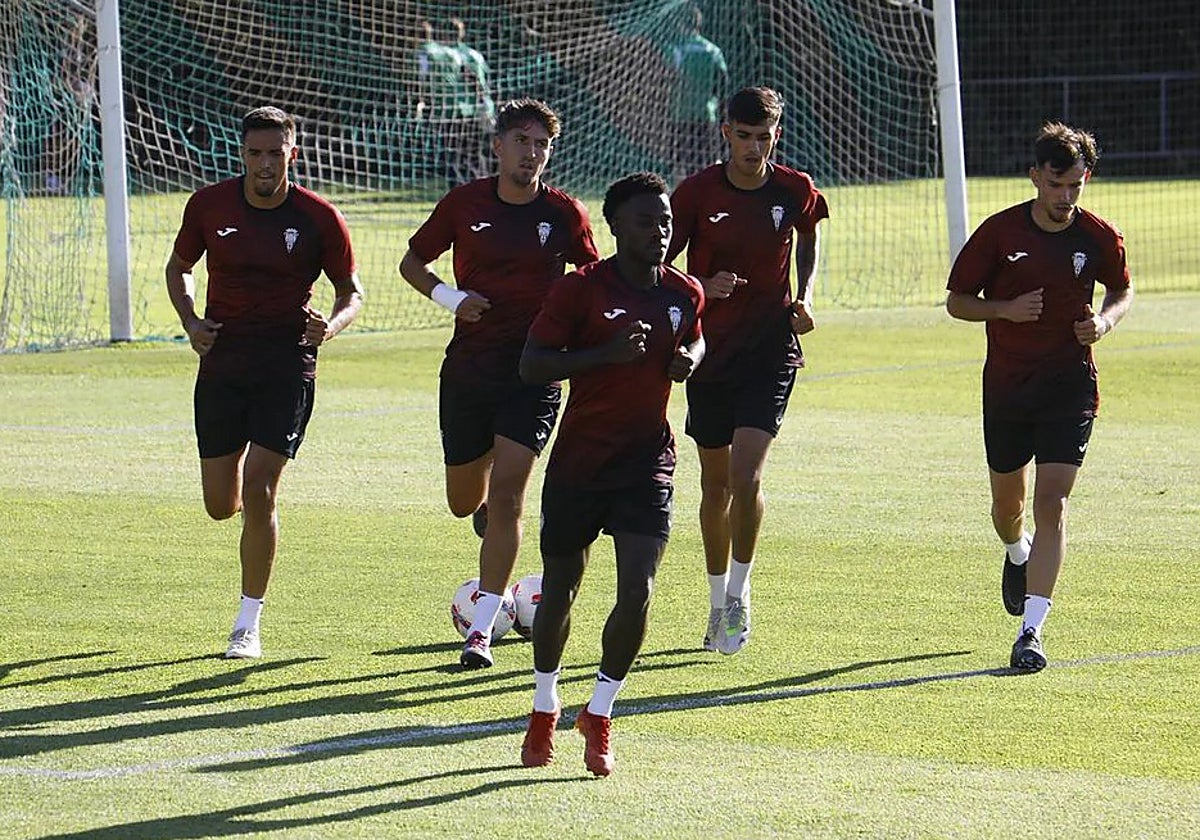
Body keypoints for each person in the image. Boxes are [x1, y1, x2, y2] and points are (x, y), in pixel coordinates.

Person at [398, 98, 598, 670]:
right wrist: (450, 297)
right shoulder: (464, 204)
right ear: (498, 146)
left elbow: (593, 278)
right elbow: (413, 261)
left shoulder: (565, 214)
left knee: (510, 493)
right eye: (521, 142)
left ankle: (481, 630)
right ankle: (483, 515)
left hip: (535, 372)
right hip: (469, 370)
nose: (531, 154)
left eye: (541, 145)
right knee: (466, 500)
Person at [518, 171, 705, 777]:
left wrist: (687, 359)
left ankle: (599, 711)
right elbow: (532, 365)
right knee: (562, 588)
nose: (661, 230)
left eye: (667, 221)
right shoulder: (578, 291)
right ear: (617, 226)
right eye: (648, 221)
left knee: (639, 591)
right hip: (579, 465)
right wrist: (606, 354)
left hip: (647, 464)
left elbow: (696, 339)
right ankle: (544, 705)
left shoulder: (684, 293)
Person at [164, 106, 364, 659]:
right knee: (219, 504)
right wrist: (190, 321)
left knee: (260, 488)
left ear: (292, 154)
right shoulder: (209, 205)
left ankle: (247, 624)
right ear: (242, 154)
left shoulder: (319, 217)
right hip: (224, 365)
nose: (266, 163)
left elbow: (351, 292)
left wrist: (331, 326)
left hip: (287, 365)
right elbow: (178, 267)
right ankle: (249, 527)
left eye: (276, 152)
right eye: (256, 152)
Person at [945, 121, 1133, 672]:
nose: (1066, 197)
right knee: (1010, 509)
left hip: (1069, 388)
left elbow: (1122, 288)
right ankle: (1015, 551)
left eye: (1076, 185)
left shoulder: (1097, 236)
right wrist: (1003, 309)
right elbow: (957, 301)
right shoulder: (1000, 234)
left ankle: (1031, 631)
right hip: (1006, 389)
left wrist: (1104, 321)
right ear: (1035, 177)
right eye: (1057, 185)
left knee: (1052, 503)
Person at [666, 86, 828, 656]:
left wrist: (805, 295)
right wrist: (699, 288)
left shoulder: (795, 189)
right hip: (710, 353)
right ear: (726, 134)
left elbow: (809, 234)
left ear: (775, 136)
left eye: (765, 137)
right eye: (744, 136)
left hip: (769, 349)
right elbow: (660, 265)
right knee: (714, 486)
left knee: (746, 476)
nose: (754, 147)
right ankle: (714, 600)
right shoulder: (695, 193)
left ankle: (739, 592)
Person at [667, 5, 728, 182]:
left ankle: (681, 202)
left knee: (679, 164)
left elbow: (667, 79)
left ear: (679, 25)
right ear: (699, 25)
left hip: (679, 115)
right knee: (707, 164)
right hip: (705, 115)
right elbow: (722, 85)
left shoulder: (675, 50)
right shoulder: (713, 51)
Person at [445, 16, 497, 182]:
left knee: (457, 155)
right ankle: (479, 189)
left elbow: (473, 79)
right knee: (477, 153)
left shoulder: (450, 55)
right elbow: (486, 81)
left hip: (461, 110)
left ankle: (461, 193)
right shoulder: (475, 54)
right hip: (483, 109)